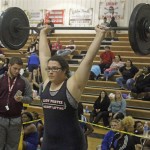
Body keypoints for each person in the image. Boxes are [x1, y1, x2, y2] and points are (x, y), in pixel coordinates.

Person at [39, 25, 106, 150]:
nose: (50, 72)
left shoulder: (72, 85)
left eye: (55, 68)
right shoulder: (47, 82)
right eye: (49, 68)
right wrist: (42, 34)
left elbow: (88, 60)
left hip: (71, 143)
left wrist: (99, 35)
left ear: (64, 70)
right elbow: (43, 56)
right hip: (49, 142)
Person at [0, 57, 33, 150]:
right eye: (15, 68)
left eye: (19, 69)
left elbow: (30, 99)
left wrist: (22, 99)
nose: (17, 71)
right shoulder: (1, 79)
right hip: (0, 118)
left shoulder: (24, 81)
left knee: (12, 147)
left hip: (16, 119)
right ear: (9, 66)